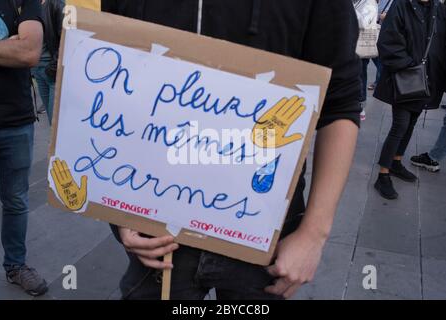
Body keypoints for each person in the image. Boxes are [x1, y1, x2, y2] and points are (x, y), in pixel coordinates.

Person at [102, 0, 361, 300]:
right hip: (158, 227)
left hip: (263, 234)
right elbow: (111, 82)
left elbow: (340, 102)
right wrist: (117, 208)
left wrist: (313, 234)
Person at [0, 0, 48, 296]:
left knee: (15, 201)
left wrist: (20, 47)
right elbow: (18, 49)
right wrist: (7, 46)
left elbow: (29, 52)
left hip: (15, 121)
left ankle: (16, 266)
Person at [374, 0, 446, 200]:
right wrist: (410, 67)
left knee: (412, 122)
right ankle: (383, 174)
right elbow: (388, 42)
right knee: (400, 125)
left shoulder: (438, 9)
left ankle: (396, 161)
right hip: (408, 78)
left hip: (428, 78)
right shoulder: (401, 5)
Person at [32, 0, 64, 125]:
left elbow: (65, 38)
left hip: (52, 71)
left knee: (55, 123)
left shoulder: (56, 4)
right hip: (38, 71)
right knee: (53, 125)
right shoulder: (29, 5)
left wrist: (54, 67)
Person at [354, 0, 380, 121]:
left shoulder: (369, 3)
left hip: (360, 47)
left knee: (360, 76)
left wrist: (348, 8)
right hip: (351, 45)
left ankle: (360, 107)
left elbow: (363, 23)